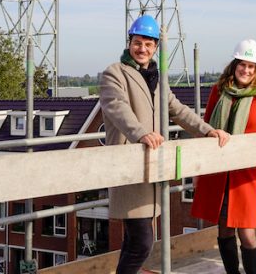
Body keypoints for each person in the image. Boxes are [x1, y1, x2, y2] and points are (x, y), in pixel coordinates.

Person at [99, 15, 231, 274]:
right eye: (138, 43)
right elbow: (117, 108)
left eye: (149, 45)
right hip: (131, 164)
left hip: (153, 166)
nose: (142, 49)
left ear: (156, 48)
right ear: (129, 43)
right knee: (142, 242)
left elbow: (178, 110)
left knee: (133, 239)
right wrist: (141, 133)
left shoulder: (157, 79)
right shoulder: (114, 73)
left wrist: (207, 130)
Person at [192, 39, 256, 274]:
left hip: (246, 175)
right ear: (235, 64)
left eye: (252, 67)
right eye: (243, 65)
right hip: (218, 171)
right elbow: (206, 126)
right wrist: (198, 171)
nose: (246, 71)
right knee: (224, 230)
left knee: (247, 233)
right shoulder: (219, 89)